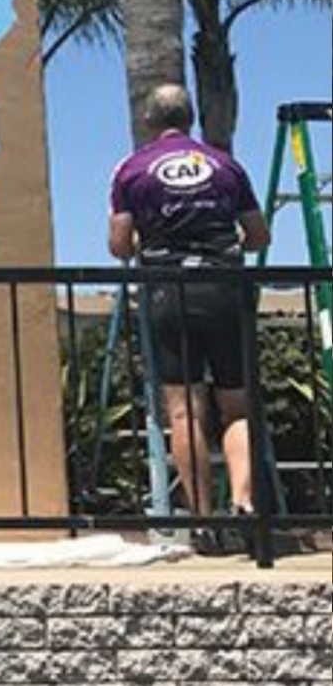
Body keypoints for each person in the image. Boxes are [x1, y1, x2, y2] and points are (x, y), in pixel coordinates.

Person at [108, 84, 271, 553]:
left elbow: (119, 244)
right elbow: (257, 235)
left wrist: (152, 246)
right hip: (223, 287)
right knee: (236, 407)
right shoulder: (224, 164)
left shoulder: (132, 169)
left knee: (183, 409)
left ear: (149, 121)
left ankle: (201, 520)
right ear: (191, 116)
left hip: (167, 290)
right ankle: (244, 505)